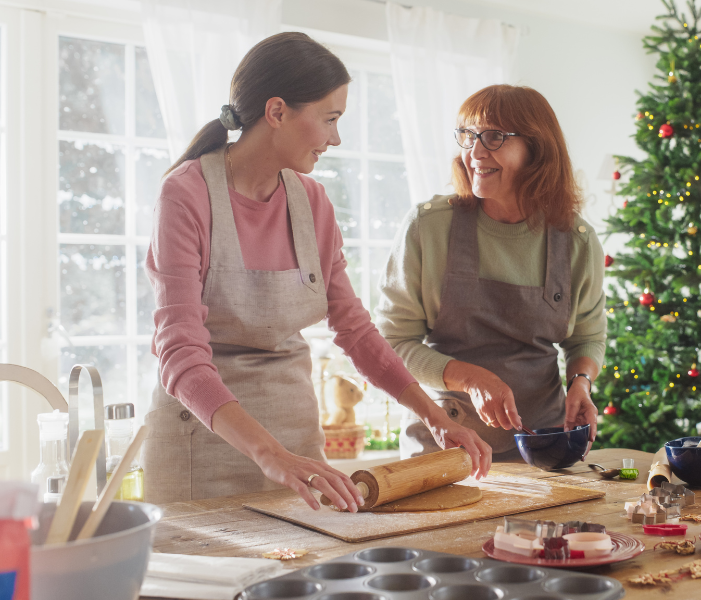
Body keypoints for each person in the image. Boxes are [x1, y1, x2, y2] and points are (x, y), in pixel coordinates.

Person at [143, 32, 491, 512]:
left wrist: (436, 417)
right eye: (330, 119)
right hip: (199, 449)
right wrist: (270, 454)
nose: (336, 138)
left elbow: (355, 330)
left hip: (296, 447)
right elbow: (180, 353)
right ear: (277, 112)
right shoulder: (186, 194)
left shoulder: (312, 202)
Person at [377, 85, 607, 461]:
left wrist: (580, 383)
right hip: (443, 446)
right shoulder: (429, 227)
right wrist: (470, 377)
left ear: (537, 149)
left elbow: (587, 337)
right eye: (469, 136)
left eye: (494, 137)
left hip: (542, 447)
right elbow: (391, 343)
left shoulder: (577, 241)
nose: (475, 152)